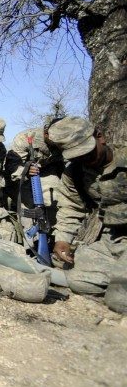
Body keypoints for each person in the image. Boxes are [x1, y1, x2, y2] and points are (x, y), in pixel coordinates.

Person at [48, 117, 127, 313]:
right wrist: (63, 239)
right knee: (77, 281)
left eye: (87, 152)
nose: (85, 160)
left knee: (119, 299)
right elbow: (71, 207)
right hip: (113, 239)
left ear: (100, 137)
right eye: (77, 156)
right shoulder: (74, 172)